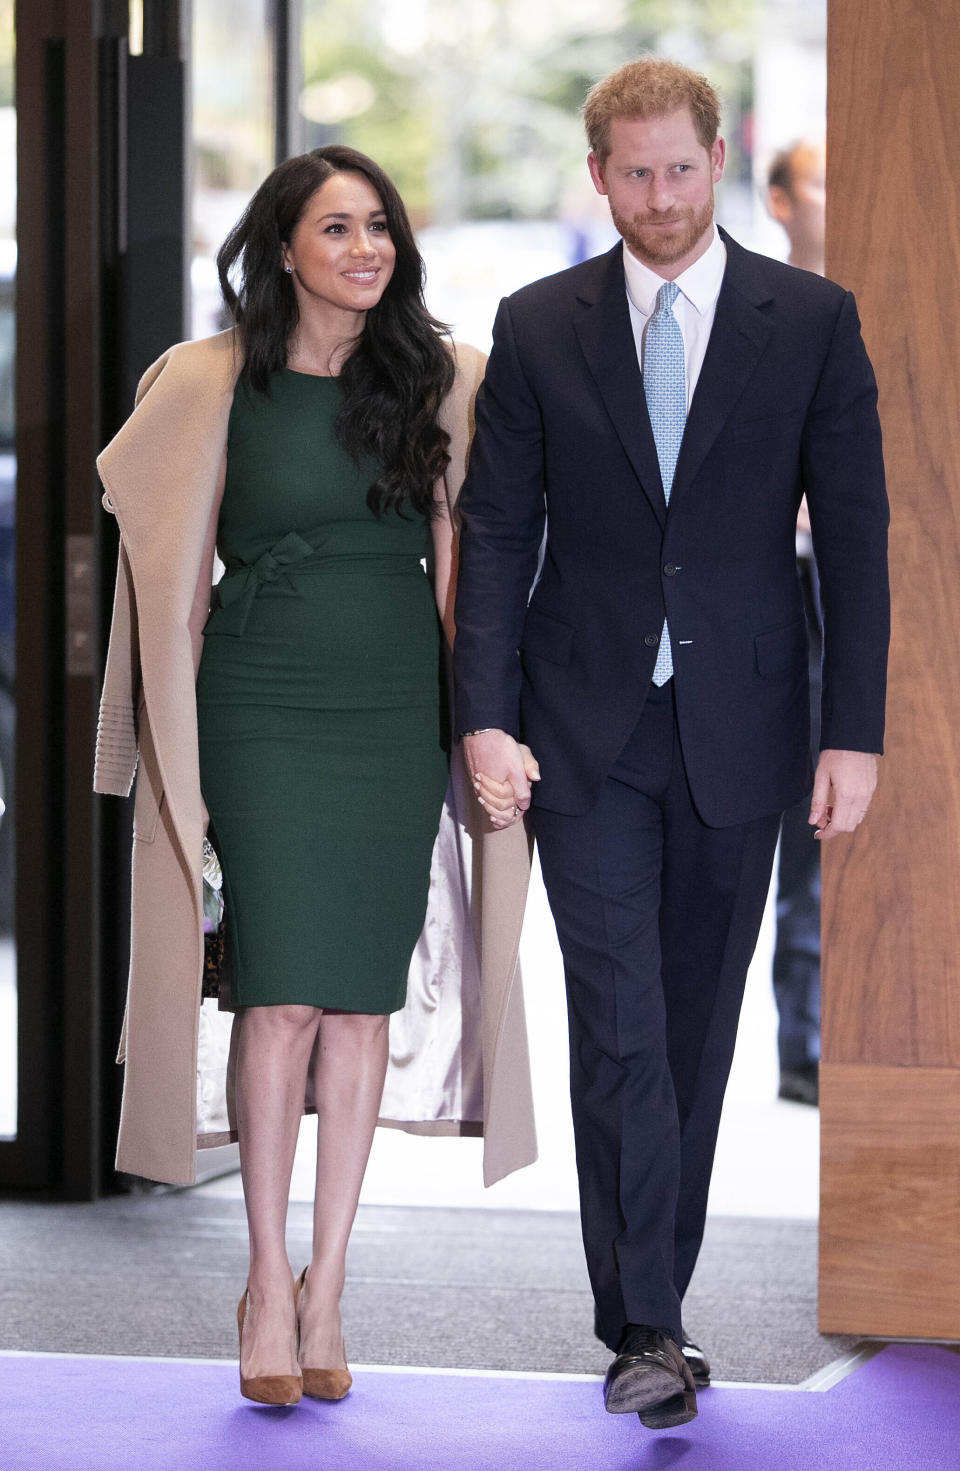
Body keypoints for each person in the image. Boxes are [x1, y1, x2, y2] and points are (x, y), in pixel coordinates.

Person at [454, 58, 888, 1430]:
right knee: (622, 1019)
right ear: (598, 176)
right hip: (584, 730)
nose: (658, 198)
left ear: (719, 157)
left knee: (695, 1025)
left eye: (680, 170)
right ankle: (645, 1321)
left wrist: (853, 732)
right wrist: (484, 713)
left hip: (742, 729)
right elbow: (500, 532)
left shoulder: (810, 320)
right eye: (632, 174)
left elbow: (861, 541)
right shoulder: (536, 326)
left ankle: (660, 1297)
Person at [93, 146, 536, 1407]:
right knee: (280, 997)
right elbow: (171, 582)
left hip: (393, 711)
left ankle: (328, 1284)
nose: (365, 247)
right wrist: (162, 757)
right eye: (336, 226)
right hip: (258, 707)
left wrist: (483, 728)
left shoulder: (446, 380)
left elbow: (471, 577)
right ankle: (260, 1282)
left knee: (360, 1003)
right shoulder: (208, 380)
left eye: (380, 225)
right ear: (280, 244)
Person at [766, 139, 828, 1105]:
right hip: (774, 590)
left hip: (847, 588)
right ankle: (804, 1039)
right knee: (792, 828)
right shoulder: (758, 312)